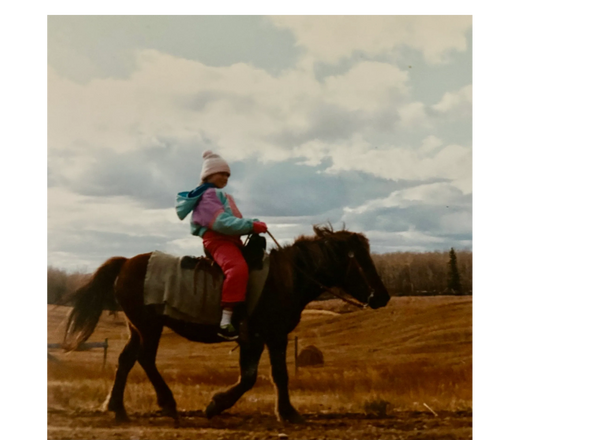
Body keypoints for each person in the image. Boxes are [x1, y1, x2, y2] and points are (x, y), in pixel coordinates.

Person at [175, 150, 268, 340]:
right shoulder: (209, 195)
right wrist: (251, 226)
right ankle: (225, 323)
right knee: (238, 268)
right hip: (218, 241)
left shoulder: (222, 195)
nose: (225, 178)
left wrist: (253, 223)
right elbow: (221, 223)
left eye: (228, 175)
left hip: (231, 241)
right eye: (222, 173)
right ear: (209, 175)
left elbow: (234, 220)